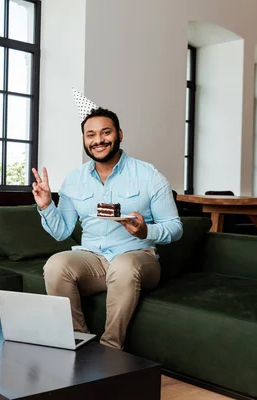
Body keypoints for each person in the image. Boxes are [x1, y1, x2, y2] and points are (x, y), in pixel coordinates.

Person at [31, 90, 183, 350]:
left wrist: (145, 230)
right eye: (91, 135)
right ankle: (78, 343)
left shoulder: (149, 175)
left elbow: (175, 228)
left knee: (124, 266)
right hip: (94, 260)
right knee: (56, 264)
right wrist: (46, 206)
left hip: (139, 258)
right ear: (84, 140)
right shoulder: (74, 179)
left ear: (119, 135)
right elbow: (61, 232)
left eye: (106, 132)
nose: (98, 140)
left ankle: (110, 351)